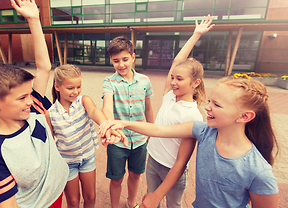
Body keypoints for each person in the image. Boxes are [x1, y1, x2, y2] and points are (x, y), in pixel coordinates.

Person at [100, 77, 279, 208]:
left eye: (217, 105)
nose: (207, 107)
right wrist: (123, 123)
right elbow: (158, 130)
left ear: (244, 116)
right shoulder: (203, 131)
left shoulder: (259, 172)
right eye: (209, 101)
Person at [0, 0, 69, 208]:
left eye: (29, 94)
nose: (31, 99)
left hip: (58, 193)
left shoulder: (32, 108)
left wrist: (34, 20)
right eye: (21, 97)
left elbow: (44, 67)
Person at [142, 15, 214, 208]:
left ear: (195, 83)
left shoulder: (193, 115)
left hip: (172, 169)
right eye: (172, 77)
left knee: (173, 205)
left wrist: (158, 195)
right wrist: (195, 35)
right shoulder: (168, 95)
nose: (173, 82)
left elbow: (182, 162)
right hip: (153, 160)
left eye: (179, 79)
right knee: (151, 201)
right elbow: (178, 60)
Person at [47, 64, 126, 208]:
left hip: (87, 158)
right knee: (73, 201)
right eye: (70, 88)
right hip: (67, 163)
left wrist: (106, 125)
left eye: (78, 86)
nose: (76, 91)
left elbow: (95, 112)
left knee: (90, 197)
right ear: (57, 87)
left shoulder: (84, 101)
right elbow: (50, 143)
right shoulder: (50, 113)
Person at [102, 36, 154, 208]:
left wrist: (151, 131)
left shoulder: (145, 81)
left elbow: (148, 109)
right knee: (116, 179)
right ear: (111, 60)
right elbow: (107, 108)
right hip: (117, 140)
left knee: (135, 175)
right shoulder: (109, 82)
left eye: (125, 59)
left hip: (139, 140)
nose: (121, 65)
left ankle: (132, 204)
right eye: (116, 61)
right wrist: (112, 126)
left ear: (133, 57)